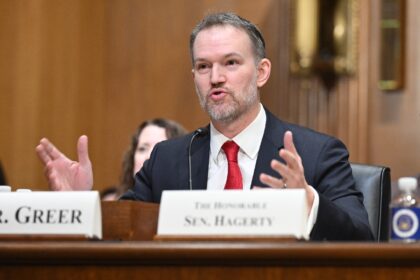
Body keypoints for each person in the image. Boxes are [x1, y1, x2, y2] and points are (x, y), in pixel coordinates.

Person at [35, 12, 373, 241]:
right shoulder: (166, 160)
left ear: (262, 72)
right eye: (203, 66)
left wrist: (308, 201)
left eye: (231, 62)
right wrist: (78, 207)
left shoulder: (316, 154)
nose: (216, 78)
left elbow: (363, 239)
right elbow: (122, 241)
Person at [36, 118, 186, 198]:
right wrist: (77, 200)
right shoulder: (113, 205)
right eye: (142, 149)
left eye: (158, 149)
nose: (149, 157)